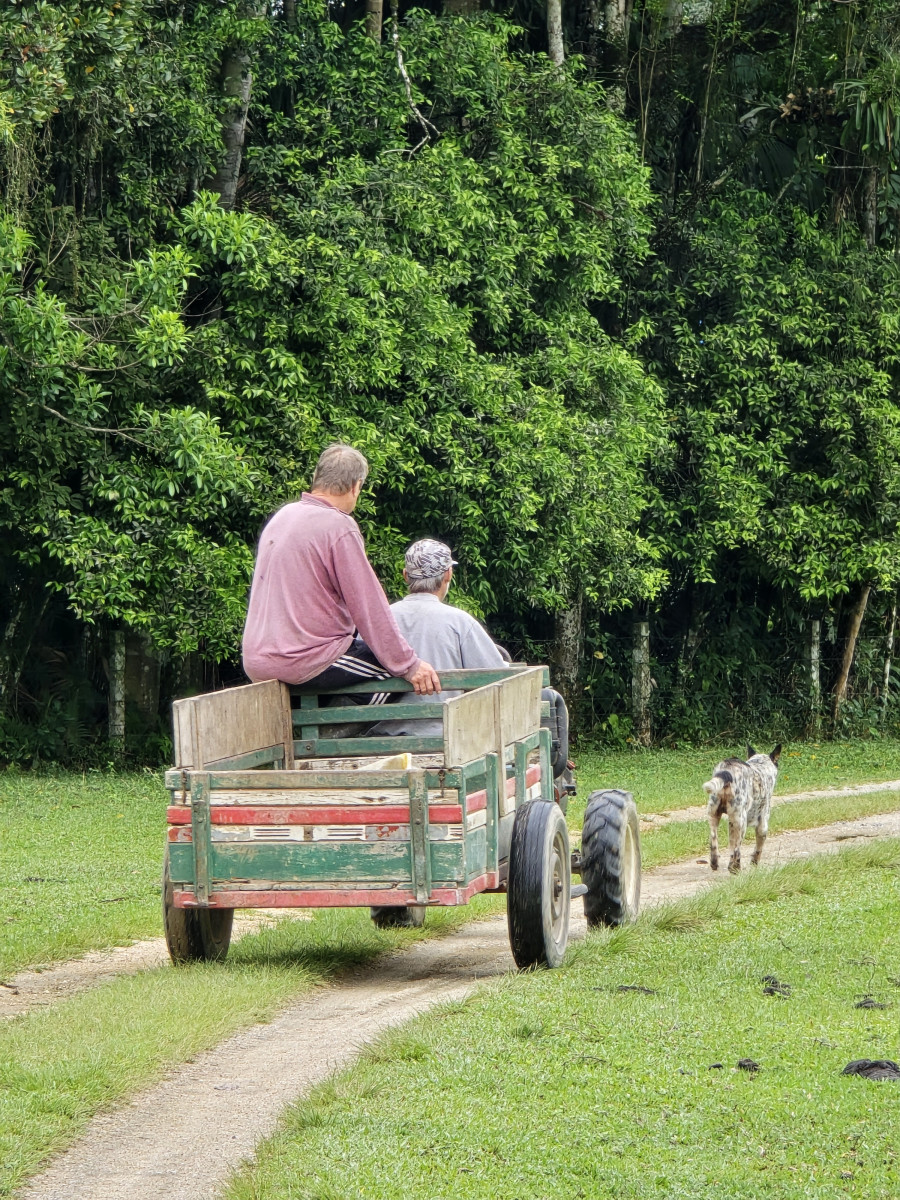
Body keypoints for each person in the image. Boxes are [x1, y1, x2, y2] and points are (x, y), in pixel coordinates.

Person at [241, 444, 441, 702]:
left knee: (367, 661)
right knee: (393, 675)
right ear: (356, 486)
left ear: (317, 479)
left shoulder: (283, 516)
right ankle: (331, 738)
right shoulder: (338, 525)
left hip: (257, 658)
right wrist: (409, 665)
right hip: (301, 659)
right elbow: (368, 606)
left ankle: (317, 726)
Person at [369, 539, 507, 737]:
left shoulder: (378, 621)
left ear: (406, 576)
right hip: (445, 740)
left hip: (381, 739)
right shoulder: (460, 622)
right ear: (448, 574)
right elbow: (498, 678)